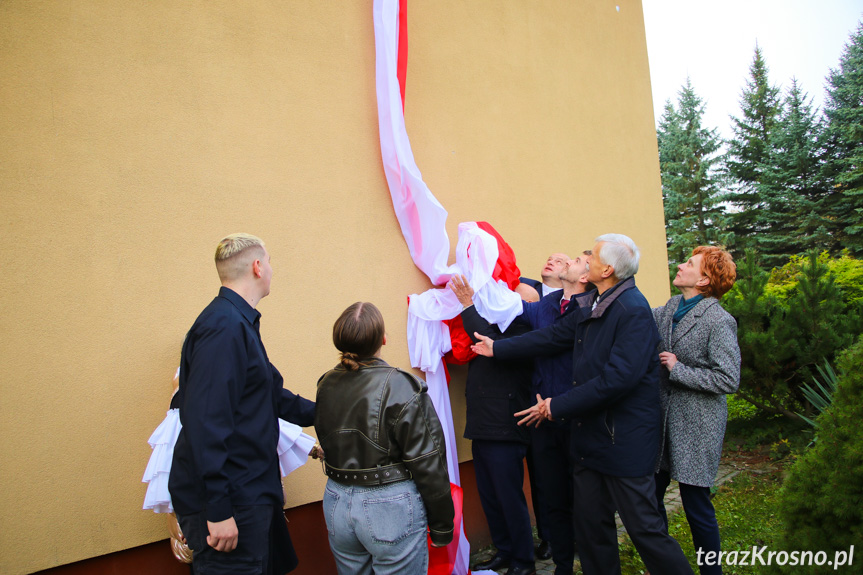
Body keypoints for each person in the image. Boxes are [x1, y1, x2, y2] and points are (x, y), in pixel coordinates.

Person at [471, 234, 694, 575]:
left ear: (606, 269)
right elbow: (553, 337)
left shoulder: (632, 310)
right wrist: (498, 348)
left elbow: (616, 381)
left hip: (623, 443)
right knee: (591, 530)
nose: (585, 259)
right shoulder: (593, 304)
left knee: (645, 530)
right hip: (590, 438)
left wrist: (555, 406)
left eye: (593, 256)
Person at [169, 233, 316, 575]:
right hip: (231, 504)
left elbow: (272, 395)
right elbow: (205, 422)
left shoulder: (238, 323)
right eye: (270, 262)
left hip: (248, 494)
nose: (272, 270)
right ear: (257, 266)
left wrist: (335, 411)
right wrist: (218, 510)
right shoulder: (224, 329)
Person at [315, 302, 454, 575]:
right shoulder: (401, 385)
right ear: (383, 339)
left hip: (337, 502)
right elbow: (428, 461)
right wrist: (442, 526)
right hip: (388, 508)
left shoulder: (325, 383)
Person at [652, 247, 740, 575]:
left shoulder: (719, 320)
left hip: (697, 424)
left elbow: (728, 378)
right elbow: (638, 318)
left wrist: (679, 369)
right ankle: (664, 564)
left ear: (703, 279)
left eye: (688, 264)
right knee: (651, 498)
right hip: (661, 422)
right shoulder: (671, 307)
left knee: (695, 506)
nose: (679, 265)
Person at [450, 276, 537, 575]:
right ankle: (505, 551)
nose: (514, 302)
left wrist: (468, 305)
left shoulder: (528, 331)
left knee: (509, 498)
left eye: (522, 300)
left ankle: (525, 561)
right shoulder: (500, 326)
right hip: (483, 424)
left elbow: (489, 341)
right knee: (490, 496)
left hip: (505, 426)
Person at [518, 252, 594, 575]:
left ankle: (591, 560)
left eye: (568, 259)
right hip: (542, 418)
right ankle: (563, 565)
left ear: (582, 275)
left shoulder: (592, 309)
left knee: (584, 501)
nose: (556, 262)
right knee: (554, 499)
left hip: (576, 417)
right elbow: (512, 312)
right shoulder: (544, 307)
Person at [517, 251, 569, 559]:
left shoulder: (579, 300)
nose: (551, 261)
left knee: (571, 473)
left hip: (567, 400)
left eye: (561, 260)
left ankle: (576, 532)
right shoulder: (525, 290)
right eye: (549, 258)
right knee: (541, 475)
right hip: (532, 400)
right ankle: (549, 537)